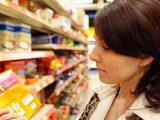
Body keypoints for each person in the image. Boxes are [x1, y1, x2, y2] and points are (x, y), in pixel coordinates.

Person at [79, 0, 160, 120]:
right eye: (95, 42)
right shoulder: (101, 94)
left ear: (145, 56)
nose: (92, 55)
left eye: (106, 47)